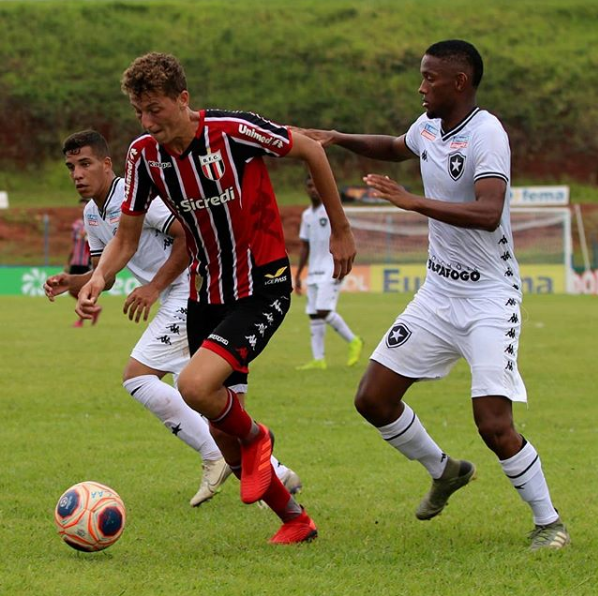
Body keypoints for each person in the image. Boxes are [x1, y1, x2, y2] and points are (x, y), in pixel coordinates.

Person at [76, 52, 355, 545]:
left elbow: (311, 148)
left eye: (156, 108)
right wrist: (99, 276)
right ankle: (296, 520)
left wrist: (341, 228)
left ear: (183, 100)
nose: (147, 121)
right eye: (140, 111)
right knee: (225, 443)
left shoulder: (231, 131)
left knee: (197, 386)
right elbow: (125, 236)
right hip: (209, 294)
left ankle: (258, 438)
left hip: (261, 285)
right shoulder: (145, 156)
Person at [304, 40, 569, 551]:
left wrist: (411, 201)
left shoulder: (487, 134)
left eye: (429, 78)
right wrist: (337, 138)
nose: (420, 86)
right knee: (373, 399)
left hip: (491, 298)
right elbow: (396, 145)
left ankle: (548, 521)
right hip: (438, 293)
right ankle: (444, 470)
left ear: (459, 83)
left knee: (493, 422)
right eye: (422, 77)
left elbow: (489, 211)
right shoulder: (429, 127)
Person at [45, 130, 302, 509]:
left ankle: (218, 456)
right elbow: (106, 270)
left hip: (191, 290)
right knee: (208, 396)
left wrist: (154, 286)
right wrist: (76, 281)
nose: (77, 174)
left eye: (85, 164)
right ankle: (275, 475)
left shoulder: (136, 197)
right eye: (71, 167)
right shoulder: (91, 214)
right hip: (174, 294)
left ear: (106, 164)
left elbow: (188, 237)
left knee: (139, 377)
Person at [295, 175, 364, 370]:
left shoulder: (332, 211)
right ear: (306, 189)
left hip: (331, 268)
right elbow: (305, 246)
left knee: (323, 310)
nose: (313, 189)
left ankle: (354, 341)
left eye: (317, 185)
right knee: (313, 315)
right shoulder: (307, 215)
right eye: (310, 186)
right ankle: (319, 359)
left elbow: (345, 234)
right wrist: (299, 273)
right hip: (314, 269)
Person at [66, 197, 96, 327]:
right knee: (70, 289)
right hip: (75, 261)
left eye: (85, 206)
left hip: (86, 262)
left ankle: (81, 320)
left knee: (84, 290)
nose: (83, 209)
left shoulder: (94, 222)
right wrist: (68, 261)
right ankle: (94, 309)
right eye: (81, 207)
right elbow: (73, 243)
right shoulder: (76, 225)